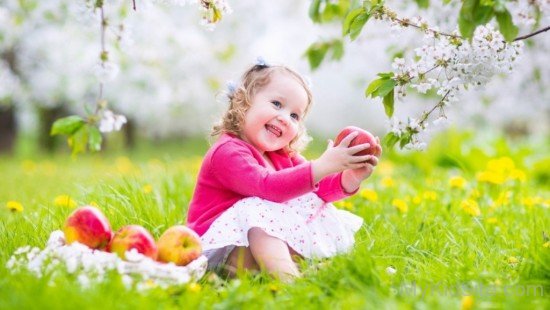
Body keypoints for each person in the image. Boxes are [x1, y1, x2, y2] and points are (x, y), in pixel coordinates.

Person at [186, 59, 381, 282]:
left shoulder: (281, 155)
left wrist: (350, 177)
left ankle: (317, 270)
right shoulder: (228, 152)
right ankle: (291, 282)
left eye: (295, 116)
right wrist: (322, 164)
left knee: (309, 204)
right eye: (277, 104)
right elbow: (267, 186)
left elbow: (318, 191)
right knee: (256, 207)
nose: (284, 118)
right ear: (244, 101)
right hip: (221, 253)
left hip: (256, 250)